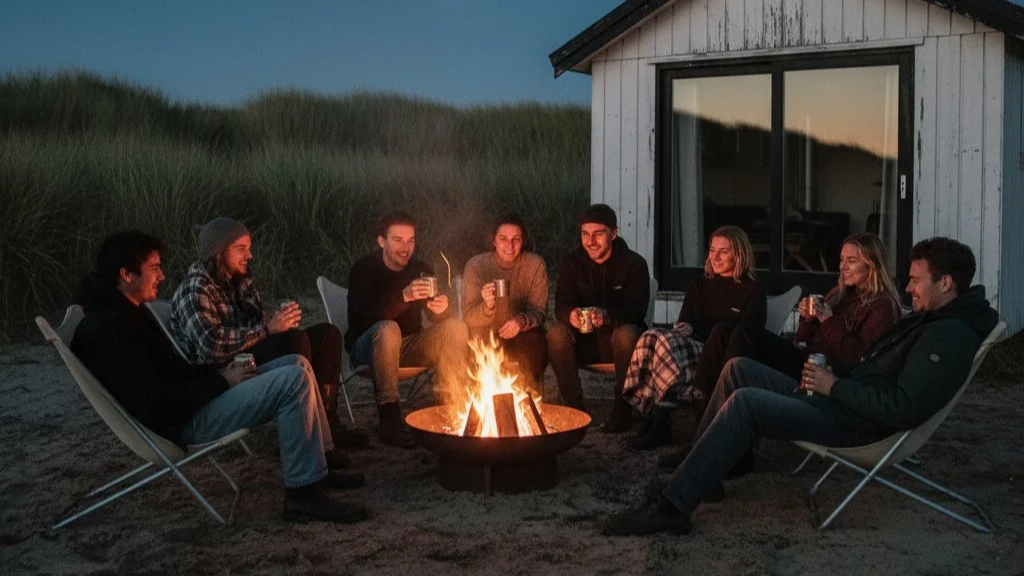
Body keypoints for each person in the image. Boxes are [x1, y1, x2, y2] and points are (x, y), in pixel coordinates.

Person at [604, 237, 999, 536]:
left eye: (915, 280)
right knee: (740, 366)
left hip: (855, 423)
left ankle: (674, 508)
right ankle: (702, 470)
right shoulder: (932, 318)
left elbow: (901, 407)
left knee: (746, 403)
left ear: (946, 282)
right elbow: (872, 370)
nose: (909, 288)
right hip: (842, 396)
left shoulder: (948, 336)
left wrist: (832, 386)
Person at [71, 231, 368, 524]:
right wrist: (222, 382)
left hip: (195, 399)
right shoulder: (108, 330)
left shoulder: (128, 314)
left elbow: (175, 373)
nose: (162, 276)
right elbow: (155, 405)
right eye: (154, 268)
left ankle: (318, 468)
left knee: (296, 363)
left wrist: (221, 376)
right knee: (291, 380)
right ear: (126, 274)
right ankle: (303, 494)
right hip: (184, 423)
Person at [656, 232, 903, 465]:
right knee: (724, 332)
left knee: (745, 334)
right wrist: (808, 319)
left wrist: (827, 320)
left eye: (851, 261)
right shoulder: (838, 295)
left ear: (872, 265)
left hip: (826, 377)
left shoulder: (881, 306)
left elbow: (858, 358)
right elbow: (802, 340)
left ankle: (709, 438)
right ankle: (706, 411)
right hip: (806, 361)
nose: (842, 267)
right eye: (841, 260)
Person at [169, 217, 367, 450]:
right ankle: (305, 430)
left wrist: (277, 325)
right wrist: (269, 329)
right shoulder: (195, 289)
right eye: (241, 249)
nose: (249, 255)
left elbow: (256, 325)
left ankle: (329, 421)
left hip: (248, 353)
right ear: (219, 253)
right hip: (227, 371)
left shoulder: (239, 281)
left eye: (249, 248)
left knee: (328, 334)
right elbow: (210, 346)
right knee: (295, 340)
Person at [623, 226, 766, 450]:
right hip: (688, 349)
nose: (715, 257)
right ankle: (655, 418)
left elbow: (746, 336)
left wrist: (700, 332)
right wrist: (686, 327)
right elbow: (685, 321)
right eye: (712, 250)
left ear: (739, 255)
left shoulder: (752, 291)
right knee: (652, 335)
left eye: (723, 252)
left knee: (664, 345)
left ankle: (660, 423)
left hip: (719, 356)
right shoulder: (699, 285)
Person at [346, 210, 469, 447]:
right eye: (398, 240)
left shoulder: (419, 269)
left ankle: (449, 404)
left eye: (410, 240)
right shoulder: (363, 270)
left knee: (454, 327)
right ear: (381, 241)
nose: (406, 247)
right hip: (367, 348)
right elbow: (365, 318)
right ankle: (389, 416)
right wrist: (405, 296)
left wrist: (440, 308)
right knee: (388, 329)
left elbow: (436, 318)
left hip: (408, 346)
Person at [547, 203, 650, 432]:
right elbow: (562, 303)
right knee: (555, 331)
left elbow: (636, 311)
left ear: (613, 234)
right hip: (583, 342)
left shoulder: (634, 264)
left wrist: (607, 317)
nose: (590, 241)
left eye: (598, 234)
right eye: (585, 234)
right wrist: (569, 314)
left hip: (620, 345)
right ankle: (575, 409)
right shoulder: (572, 263)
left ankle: (623, 409)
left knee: (626, 334)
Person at [462, 213, 548, 396]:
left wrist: (521, 321)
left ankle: (527, 402)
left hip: (522, 335)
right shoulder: (476, 266)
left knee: (536, 340)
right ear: (493, 241)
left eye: (516, 239)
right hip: (485, 334)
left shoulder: (534, 265)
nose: (510, 246)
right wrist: (487, 307)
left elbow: (539, 311)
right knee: (472, 340)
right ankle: (480, 406)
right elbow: (468, 316)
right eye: (503, 239)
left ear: (522, 241)